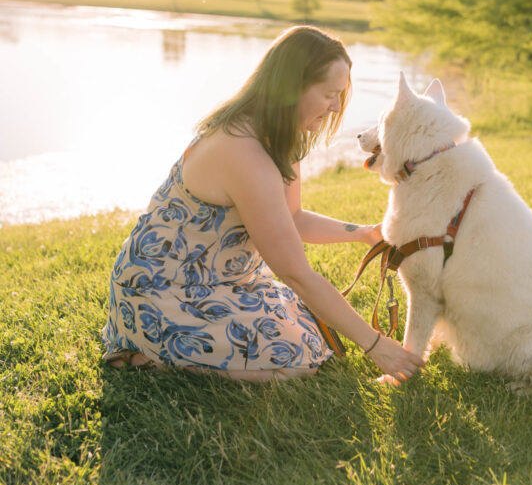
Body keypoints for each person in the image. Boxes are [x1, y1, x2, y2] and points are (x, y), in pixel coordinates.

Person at [101, 25, 422, 383]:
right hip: (161, 290)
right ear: (293, 87)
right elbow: (295, 273)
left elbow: (293, 217)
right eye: (330, 94)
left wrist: (362, 233)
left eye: (340, 95)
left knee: (312, 333)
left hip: (218, 281)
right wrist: (376, 345)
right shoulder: (243, 151)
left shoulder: (281, 136)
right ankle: (146, 357)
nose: (335, 107)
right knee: (296, 361)